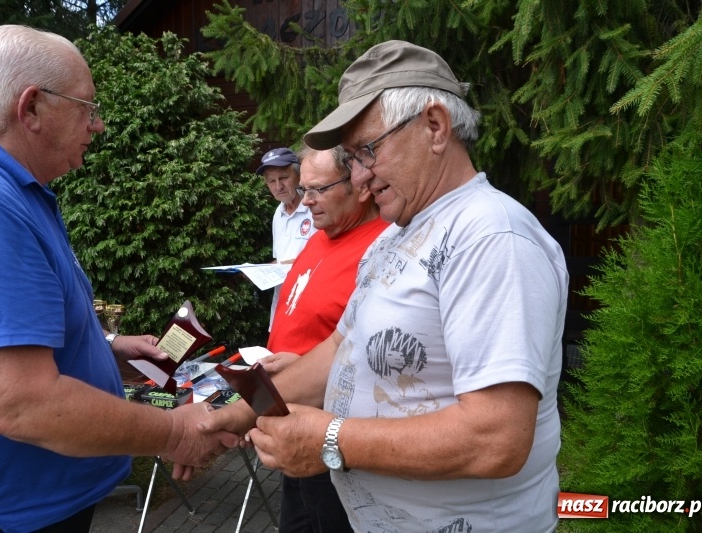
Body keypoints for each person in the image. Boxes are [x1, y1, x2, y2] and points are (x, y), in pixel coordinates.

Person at [204, 40, 568, 532]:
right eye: (352, 158)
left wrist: (331, 441)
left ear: (434, 127)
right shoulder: (395, 238)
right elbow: (340, 348)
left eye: (366, 151)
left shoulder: (490, 235)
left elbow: (496, 437)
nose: (358, 178)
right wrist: (227, 417)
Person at [0, 25, 238, 533]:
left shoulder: (4, 191)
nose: (99, 125)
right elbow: (21, 404)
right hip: (5, 514)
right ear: (31, 109)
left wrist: (106, 350)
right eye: (86, 108)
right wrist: (174, 431)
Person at [262, 144, 390, 532]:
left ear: (359, 186)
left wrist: (303, 369)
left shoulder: (382, 245)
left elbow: (374, 354)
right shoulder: (323, 232)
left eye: (318, 190)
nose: (307, 202)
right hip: (292, 417)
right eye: (304, 190)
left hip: (333, 433)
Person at [256, 147, 317, 329]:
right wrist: (258, 272)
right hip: (282, 308)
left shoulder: (315, 208)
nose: (278, 186)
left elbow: (326, 258)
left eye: (283, 178)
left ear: (299, 176)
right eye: (271, 181)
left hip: (310, 307)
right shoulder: (278, 213)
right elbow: (281, 260)